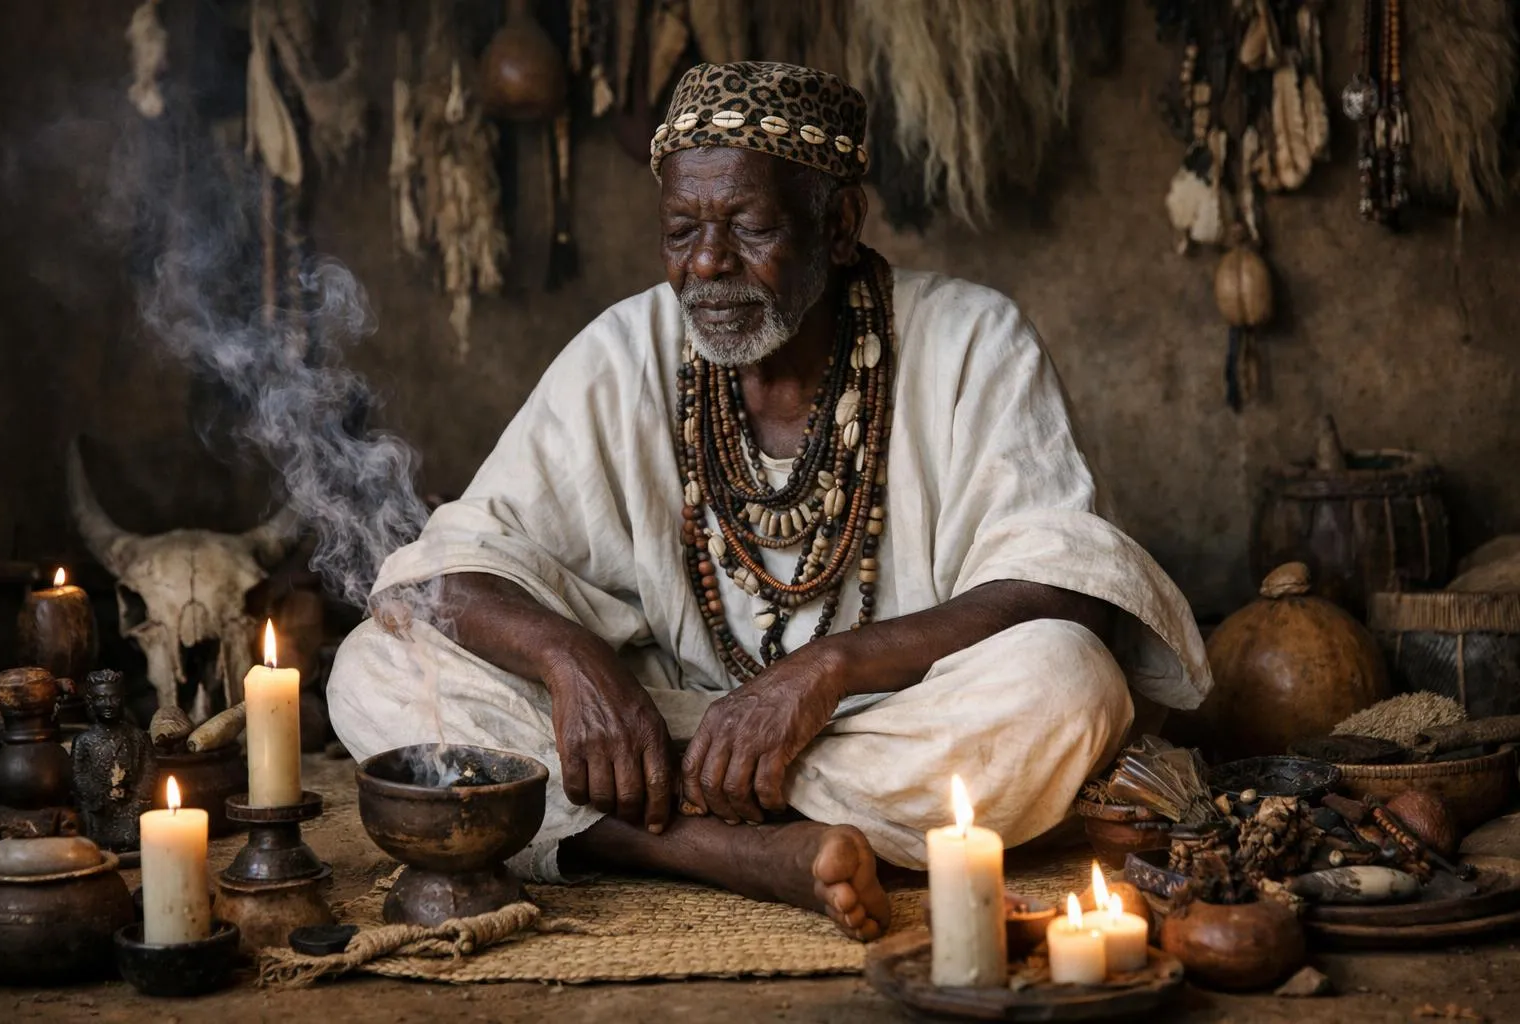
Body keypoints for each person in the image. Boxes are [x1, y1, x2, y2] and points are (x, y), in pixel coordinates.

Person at [330, 61, 1210, 941]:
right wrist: (567, 661)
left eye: (749, 227)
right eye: (681, 230)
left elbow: (1053, 584)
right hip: (656, 725)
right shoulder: (625, 351)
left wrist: (823, 674)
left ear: (838, 226)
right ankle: (738, 852)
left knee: (1068, 682)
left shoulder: (973, 340)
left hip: (874, 723)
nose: (707, 264)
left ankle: (642, 828)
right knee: (378, 668)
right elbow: (447, 574)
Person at [71, 669, 156, 852]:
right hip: (99, 808)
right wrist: (101, 795)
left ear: (122, 700)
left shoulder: (138, 737)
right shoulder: (84, 741)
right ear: (91, 702)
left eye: (113, 698)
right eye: (101, 699)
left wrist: (138, 795)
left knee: (139, 822)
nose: (108, 704)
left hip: (131, 804)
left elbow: (148, 770)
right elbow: (79, 775)